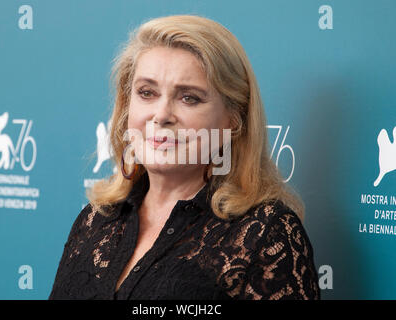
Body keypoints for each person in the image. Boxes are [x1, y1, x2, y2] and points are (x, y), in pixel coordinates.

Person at [49, 14, 320, 300]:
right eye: (147, 92)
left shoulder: (267, 234)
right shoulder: (96, 219)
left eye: (189, 97)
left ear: (233, 120)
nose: (162, 115)